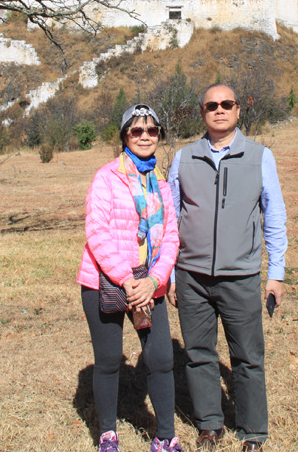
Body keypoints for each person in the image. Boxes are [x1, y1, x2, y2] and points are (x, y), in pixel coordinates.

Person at [167, 84, 287, 451]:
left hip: (241, 276)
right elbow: (170, 219)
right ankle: (209, 425)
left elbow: (274, 216)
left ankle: (253, 431)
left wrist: (276, 273)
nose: (219, 110)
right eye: (212, 105)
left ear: (237, 109)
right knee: (198, 354)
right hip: (191, 276)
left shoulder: (260, 156)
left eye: (226, 104)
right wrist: (170, 275)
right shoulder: (183, 158)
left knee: (248, 357)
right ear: (202, 112)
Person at [77, 104, 183, 452]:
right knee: (109, 361)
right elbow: (97, 232)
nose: (145, 136)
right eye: (137, 130)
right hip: (106, 281)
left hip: (149, 282)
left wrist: (153, 281)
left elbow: (171, 236)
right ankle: (107, 434)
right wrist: (126, 279)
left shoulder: (161, 183)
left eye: (152, 130)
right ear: (125, 136)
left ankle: (165, 437)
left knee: (161, 359)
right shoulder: (106, 177)